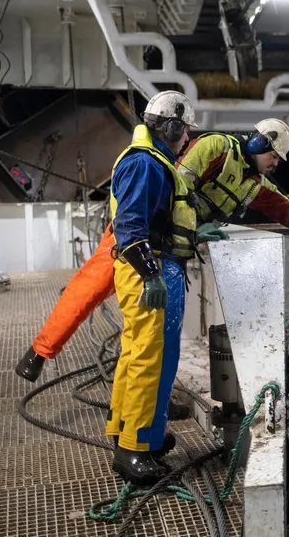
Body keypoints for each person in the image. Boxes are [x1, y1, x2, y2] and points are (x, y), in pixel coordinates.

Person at [15, 119, 289, 383]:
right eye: (274, 156)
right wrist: (194, 229)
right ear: (259, 142)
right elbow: (175, 186)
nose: (275, 164)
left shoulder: (253, 185)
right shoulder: (216, 147)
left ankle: (152, 402)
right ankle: (39, 352)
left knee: (154, 336)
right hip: (140, 234)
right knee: (88, 290)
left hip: (172, 251)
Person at [104, 90, 210, 483]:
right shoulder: (146, 164)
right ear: (172, 126)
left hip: (145, 268)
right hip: (146, 271)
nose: (186, 140)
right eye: (184, 132)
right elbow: (130, 224)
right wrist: (150, 275)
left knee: (138, 356)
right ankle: (132, 452)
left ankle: (136, 434)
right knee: (150, 359)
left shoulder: (148, 159)